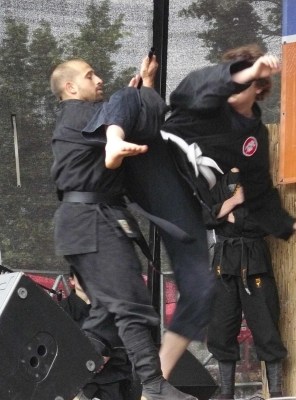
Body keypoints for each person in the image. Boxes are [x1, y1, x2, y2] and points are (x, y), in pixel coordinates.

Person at [50, 53, 214, 400]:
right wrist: (134, 100)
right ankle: (154, 387)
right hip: (92, 221)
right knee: (130, 305)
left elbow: (140, 122)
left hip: (85, 222)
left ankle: (63, 388)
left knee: (106, 316)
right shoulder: (81, 115)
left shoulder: (87, 119)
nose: (99, 80)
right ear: (70, 87)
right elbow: (136, 113)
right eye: (89, 75)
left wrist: (145, 89)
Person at [161, 44, 296, 399]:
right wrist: (230, 204)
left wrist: (282, 222)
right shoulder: (207, 139)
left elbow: (261, 199)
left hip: (253, 258)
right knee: (221, 331)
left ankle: (278, 395)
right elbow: (204, 214)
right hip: (222, 259)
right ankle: (224, 395)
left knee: (266, 329)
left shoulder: (254, 142)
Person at [59, 269, 141, 400]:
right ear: (72, 281)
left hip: (111, 383)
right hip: (74, 385)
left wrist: (109, 355)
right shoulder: (59, 311)